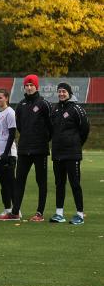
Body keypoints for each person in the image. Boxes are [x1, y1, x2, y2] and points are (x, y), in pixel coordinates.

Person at [9, 74, 53, 222]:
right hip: (24, 149)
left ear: (36, 86)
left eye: (31, 85)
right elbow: (20, 126)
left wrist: (42, 139)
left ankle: (39, 213)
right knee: (19, 180)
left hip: (40, 149)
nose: (28, 88)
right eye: (26, 85)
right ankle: (15, 212)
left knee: (41, 181)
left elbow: (51, 126)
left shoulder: (44, 104)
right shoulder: (20, 105)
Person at [49, 82, 89, 225]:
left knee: (75, 184)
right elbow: (52, 129)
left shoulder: (77, 108)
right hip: (57, 153)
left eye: (64, 91)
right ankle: (59, 213)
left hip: (72, 154)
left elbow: (84, 129)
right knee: (59, 184)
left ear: (69, 93)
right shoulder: (54, 109)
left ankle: (80, 214)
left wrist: (76, 144)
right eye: (59, 91)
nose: (61, 94)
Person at [0, 88, 18, 219]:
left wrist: (6, 153)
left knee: (10, 183)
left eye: (0, 98)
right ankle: (7, 209)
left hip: (8, 154)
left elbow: (12, 134)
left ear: (6, 98)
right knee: (3, 184)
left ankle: (16, 210)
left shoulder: (10, 113)